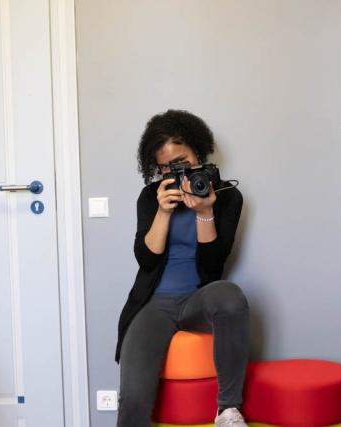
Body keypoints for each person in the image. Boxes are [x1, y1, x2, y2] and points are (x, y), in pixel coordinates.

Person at [115, 109, 250, 427]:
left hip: (198, 300)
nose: (175, 173)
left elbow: (214, 264)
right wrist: (162, 213)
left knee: (229, 295)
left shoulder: (228, 197)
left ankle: (227, 410)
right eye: (166, 168)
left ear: (199, 155)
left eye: (183, 164)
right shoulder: (151, 197)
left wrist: (205, 211)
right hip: (153, 304)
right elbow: (146, 260)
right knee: (132, 398)